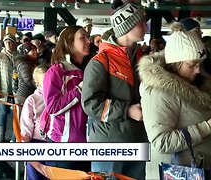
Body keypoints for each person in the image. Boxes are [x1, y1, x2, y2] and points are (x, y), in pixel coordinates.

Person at [81, 0, 148, 179]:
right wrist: (127, 111)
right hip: (109, 145)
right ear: (128, 27)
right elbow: (90, 104)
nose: (146, 26)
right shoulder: (100, 61)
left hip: (138, 139)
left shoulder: (141, 58)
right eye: (141, 22)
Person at [138, 22, 211, 179]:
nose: (198, 70)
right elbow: (161, 141)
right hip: (176, 172)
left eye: (200, 64)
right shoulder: (157, 92)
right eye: (192, 65)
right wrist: (206, 127)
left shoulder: (196, 82)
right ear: (176, 63)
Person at [42, 25, 90, 172]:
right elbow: (52, 107)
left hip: (85, 144)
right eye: (83, 37)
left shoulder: (84, 70)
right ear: (69, 42)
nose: (88, 41)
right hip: (63, 145)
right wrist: (79, 89)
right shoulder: (56, 71)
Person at [20, 64, 49, 180]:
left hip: (53, 143)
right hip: (36, 144)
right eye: (45, 80)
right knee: (35, 176)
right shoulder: (32, 100)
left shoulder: (58, 97)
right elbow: (26, 125)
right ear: (38, 83)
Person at [0, 34, 18, 142]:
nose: (8, 44)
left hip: (15, 91)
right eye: (6, 42)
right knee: (3, 113)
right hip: (2, 91)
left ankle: (14, 137)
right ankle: (1, 136)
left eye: (10, 42)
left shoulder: (18, 56)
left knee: (14, 115)